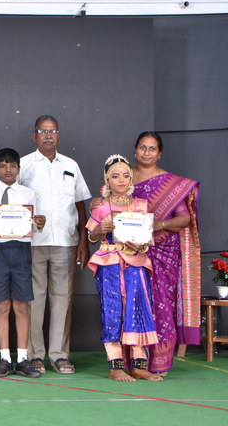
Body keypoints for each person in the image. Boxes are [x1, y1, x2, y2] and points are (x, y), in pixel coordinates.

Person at [20, 115, 90, 375]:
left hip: (65, 241)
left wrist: (83, 240)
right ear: (34, 135)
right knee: (34, 300)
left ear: (58, 135)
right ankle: (35, 355)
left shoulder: (71, 165)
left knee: (62, 300)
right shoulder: (24, 165)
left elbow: (80, 205)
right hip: (33, 241)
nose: (48, 136)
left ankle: (59, 355)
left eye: (52, 131)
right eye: (42, 131)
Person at [85, 154, 161, 382]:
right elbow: (91, 237)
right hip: (109, 263)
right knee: (112, 309)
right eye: (115, 176)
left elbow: (146, 238)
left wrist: (141, 244)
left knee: (137, 308)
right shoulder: (101, 207)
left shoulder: (140, 205)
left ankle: (139, 365)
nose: (121, 180)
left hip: (135, 262)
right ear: (107, 180)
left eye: (125, 175)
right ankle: (115, 365)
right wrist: (99, 230)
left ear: (131, 179)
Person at [131, 132, 200, 374]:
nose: (147, 153)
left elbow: (184, 219)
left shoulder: (172, 184)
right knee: (133, 303)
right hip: (131, 252)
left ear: (159, 154)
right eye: (143, 147)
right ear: (135, 150)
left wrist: (158, 224)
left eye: (152, 149)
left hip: (163, 252)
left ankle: (159, 361)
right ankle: (135, 360)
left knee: (161, 306)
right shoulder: (123, 178)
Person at [0, 148, 44, 378]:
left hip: (21, 250)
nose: (8, 170)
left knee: (22, 306)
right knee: (2, 306)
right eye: (3, 166)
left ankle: (23, 358)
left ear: (19, 169)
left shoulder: (28, 194)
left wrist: (40, 222)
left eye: (13, 166)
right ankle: (5, 358)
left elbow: (35, 224)